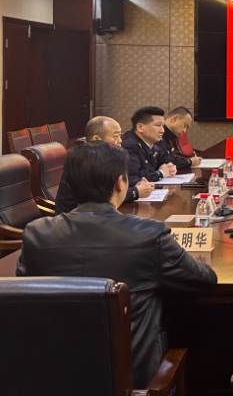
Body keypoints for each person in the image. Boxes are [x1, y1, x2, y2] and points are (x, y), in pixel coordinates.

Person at [16, 141, 217, 388]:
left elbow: (25, 295)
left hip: (51, 381)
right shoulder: (148, 234)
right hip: (137, 385)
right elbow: (204, 280)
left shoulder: (37, 234)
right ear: (120, 183)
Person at [54, 116, 154, 214]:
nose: (120, 140)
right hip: (73, 220)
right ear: (96, 139)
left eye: (120, 136)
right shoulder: (84, 162)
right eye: (116, 136)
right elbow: (102, 198)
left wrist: (137, 183)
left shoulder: (108, 159)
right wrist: (136, 192)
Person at [122, 106, 177, 186]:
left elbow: (165, 161)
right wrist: (160, 173)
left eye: (162, 126)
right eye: (158, 125)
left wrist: (170, 168)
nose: (162, 130)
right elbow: (133, 178)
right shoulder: (129, 146)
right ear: (140, 127)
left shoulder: (153, 144)